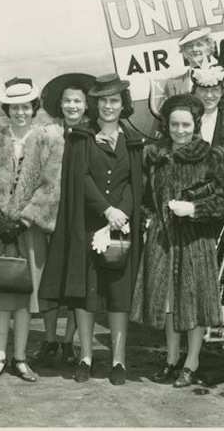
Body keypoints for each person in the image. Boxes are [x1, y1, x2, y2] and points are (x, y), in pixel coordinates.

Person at [39, 73, 145, 386]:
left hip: (121, 227)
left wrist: (122, 212)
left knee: (117, 293)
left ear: (122, 104)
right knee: (85, 292)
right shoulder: (81, 137)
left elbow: (135, 183)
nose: (109, 107)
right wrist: (106, 209)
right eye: (103, 102)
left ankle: (118, 360)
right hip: (86, 224)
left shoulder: (133, 139)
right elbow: (79, 179)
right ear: (95, 105)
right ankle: (85, 356)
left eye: (114, 101)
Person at [0, 77, 64, 383]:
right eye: (14, 107)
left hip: (27, 229)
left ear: (34, 108)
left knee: (23, 296)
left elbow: (51, 184)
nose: (21, 112)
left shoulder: (50, 138)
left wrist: (24, 220)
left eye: (26, 106)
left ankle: (20, 358)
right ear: (6, 108)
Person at [131, 94, 224, 387]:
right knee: (168, 303)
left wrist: (195, 209)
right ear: (167, 125)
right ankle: (172, 359)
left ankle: (192, 362)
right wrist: (148, 216)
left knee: (194, 300)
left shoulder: (212, 156)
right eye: (174, 124)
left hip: (195, 241)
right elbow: (144, 197)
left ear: (196, 124)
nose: (180, 130)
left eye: (186, 124)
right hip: (163, 240)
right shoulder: (155, 155)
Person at [32, 72, 95, 366]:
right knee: (48, 277)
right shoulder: (46, 134)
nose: (72, 106)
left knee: (76, 280)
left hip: (81, 218)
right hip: (50, 216)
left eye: (78, 101)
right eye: (68, 101)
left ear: (86, 105)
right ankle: (49, 338)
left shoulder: (93, 134)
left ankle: (69, 340)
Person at [149, 27, 224, 119]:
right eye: (189, 46)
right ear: (184, 53)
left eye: (199, 45)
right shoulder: (173, 84)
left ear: (209, 48)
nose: (194, 49)